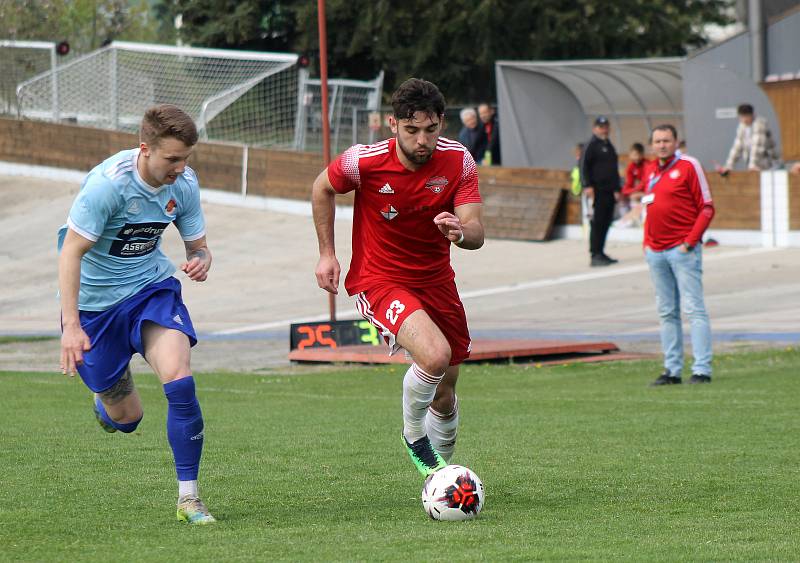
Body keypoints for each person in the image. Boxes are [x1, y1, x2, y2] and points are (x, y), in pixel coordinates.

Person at [311, 78, 484, 478]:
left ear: (442, 122)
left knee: (445, 392)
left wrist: (460, 231)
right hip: (380, 278)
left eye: (431, 129)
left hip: (437, 280)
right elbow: (322, 188)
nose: (422, 140)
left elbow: (476, 231)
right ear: (393, 124)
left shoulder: (459, 161)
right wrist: (327, 253)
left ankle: (437, 477)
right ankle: (414, 438)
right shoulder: (363, 161)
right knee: (434, 355)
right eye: (411, 130)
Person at [58, 104, 216, 524]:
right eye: (171, 159)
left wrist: (200, 259)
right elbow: (70, 251)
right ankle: (106, 395)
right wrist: (71, 327)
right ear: (145, 149)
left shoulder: (183, 183)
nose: (180, 168)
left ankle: (189, 499)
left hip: (151, 290)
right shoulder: (107, 187)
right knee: (126, 419)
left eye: (185, 159)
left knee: (180, 381)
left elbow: (198, 246)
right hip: (96, 307)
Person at [642, 124, 715, 386]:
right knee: (666, 312)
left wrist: (689, 242)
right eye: (657, 141)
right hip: (656, 251)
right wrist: (647, 244)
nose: (661, 145)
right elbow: (648, 208)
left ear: (676, 142)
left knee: (694, 309)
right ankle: (671, 370)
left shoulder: (688, 165)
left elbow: (706, 207)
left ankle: (701, 369)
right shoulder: (650, 171)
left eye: (666, 140)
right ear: (652, 145)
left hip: (682, 251)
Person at [580, 116, 620, 266]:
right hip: (597, 190)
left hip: (609, 190)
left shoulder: (608, 145)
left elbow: (613, 169)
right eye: (601, 127)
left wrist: (617, 188)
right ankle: (595, 253)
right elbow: (583, 166)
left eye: (606, 127)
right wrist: (587, 185)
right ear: (594, 128)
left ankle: (601, 251)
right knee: (597, 222)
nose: (604, 130)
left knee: (605, 221)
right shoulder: (591, 145)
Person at [721, 103, 779, 173]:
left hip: (768, 164)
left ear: (752, 115)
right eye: (742, 117)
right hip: (754, 165)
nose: (744, 119)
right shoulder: (742, 127)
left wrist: (753, 165)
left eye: (746, 116)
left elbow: (757, 146)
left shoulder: (759, 124)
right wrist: (729, 165)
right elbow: (736, 147)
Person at [615, 142, 648, 228]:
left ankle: (641, 221)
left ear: (642, 154)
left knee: (638, 198)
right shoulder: (631, 167)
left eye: (637, 154)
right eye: (633, 155)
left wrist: (635, 192)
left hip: (648, 192)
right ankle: (628, 220)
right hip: (637, 192)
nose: (635, 157)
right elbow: (628, 184)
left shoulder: (647, 165)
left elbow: (645, 183)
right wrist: (626, 193)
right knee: (622, 197)